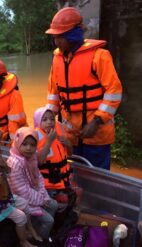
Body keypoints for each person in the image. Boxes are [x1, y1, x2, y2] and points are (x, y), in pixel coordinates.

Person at [45, 7, 123, 170]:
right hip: (70, 134)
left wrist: (96, 121)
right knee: (74, 176)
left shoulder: (99, 56)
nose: (56, 41)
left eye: (60, 37)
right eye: (55, 37)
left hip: (97, 134)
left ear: (73, 35)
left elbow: (114, 92)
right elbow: (53, 94)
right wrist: (48, 119)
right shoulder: (57, 59)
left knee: (98, 179)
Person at [7, 127, 58, 240]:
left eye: (32, 145)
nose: (29, 148)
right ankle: (37, 239)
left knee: (53, 204)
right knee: (49, 221)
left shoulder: (32, 157)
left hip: (32, 196)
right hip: (21, 200)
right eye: (24, 144)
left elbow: (38, 178)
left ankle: (37, 229)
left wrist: (43, 197)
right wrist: (40, 200)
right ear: (17, 142)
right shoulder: (14, 163)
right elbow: (20, 190)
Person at [33, 107, 72, 191]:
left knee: (77, 194)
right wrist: (49, 142)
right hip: (49, 185)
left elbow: (70, 154)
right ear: (38, 122)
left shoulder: (59, 132)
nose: (49, 122)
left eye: (52, 119)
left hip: (64, 180)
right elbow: (39, 161)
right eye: (45, 120)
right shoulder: (35, 137)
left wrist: (68, 144)